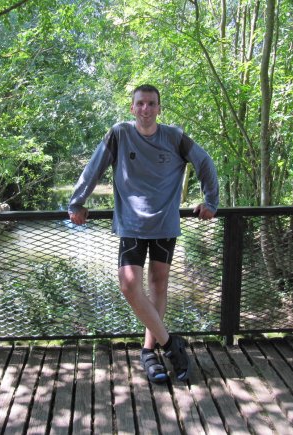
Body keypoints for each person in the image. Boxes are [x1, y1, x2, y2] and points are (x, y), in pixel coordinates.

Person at [68, 84, 219, 383]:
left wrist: (211, 201)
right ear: (132, 107)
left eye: (152, 104)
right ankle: (171, 344)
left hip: (165, 225)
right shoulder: (120, 134)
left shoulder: (174, 137)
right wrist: (77, 202)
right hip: (132, 225)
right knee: (128, 286)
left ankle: (150, 352)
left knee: (158, 286)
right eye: (141, 104)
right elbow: (93, 168)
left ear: (159, 108)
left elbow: (205, 163)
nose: (146, 109)